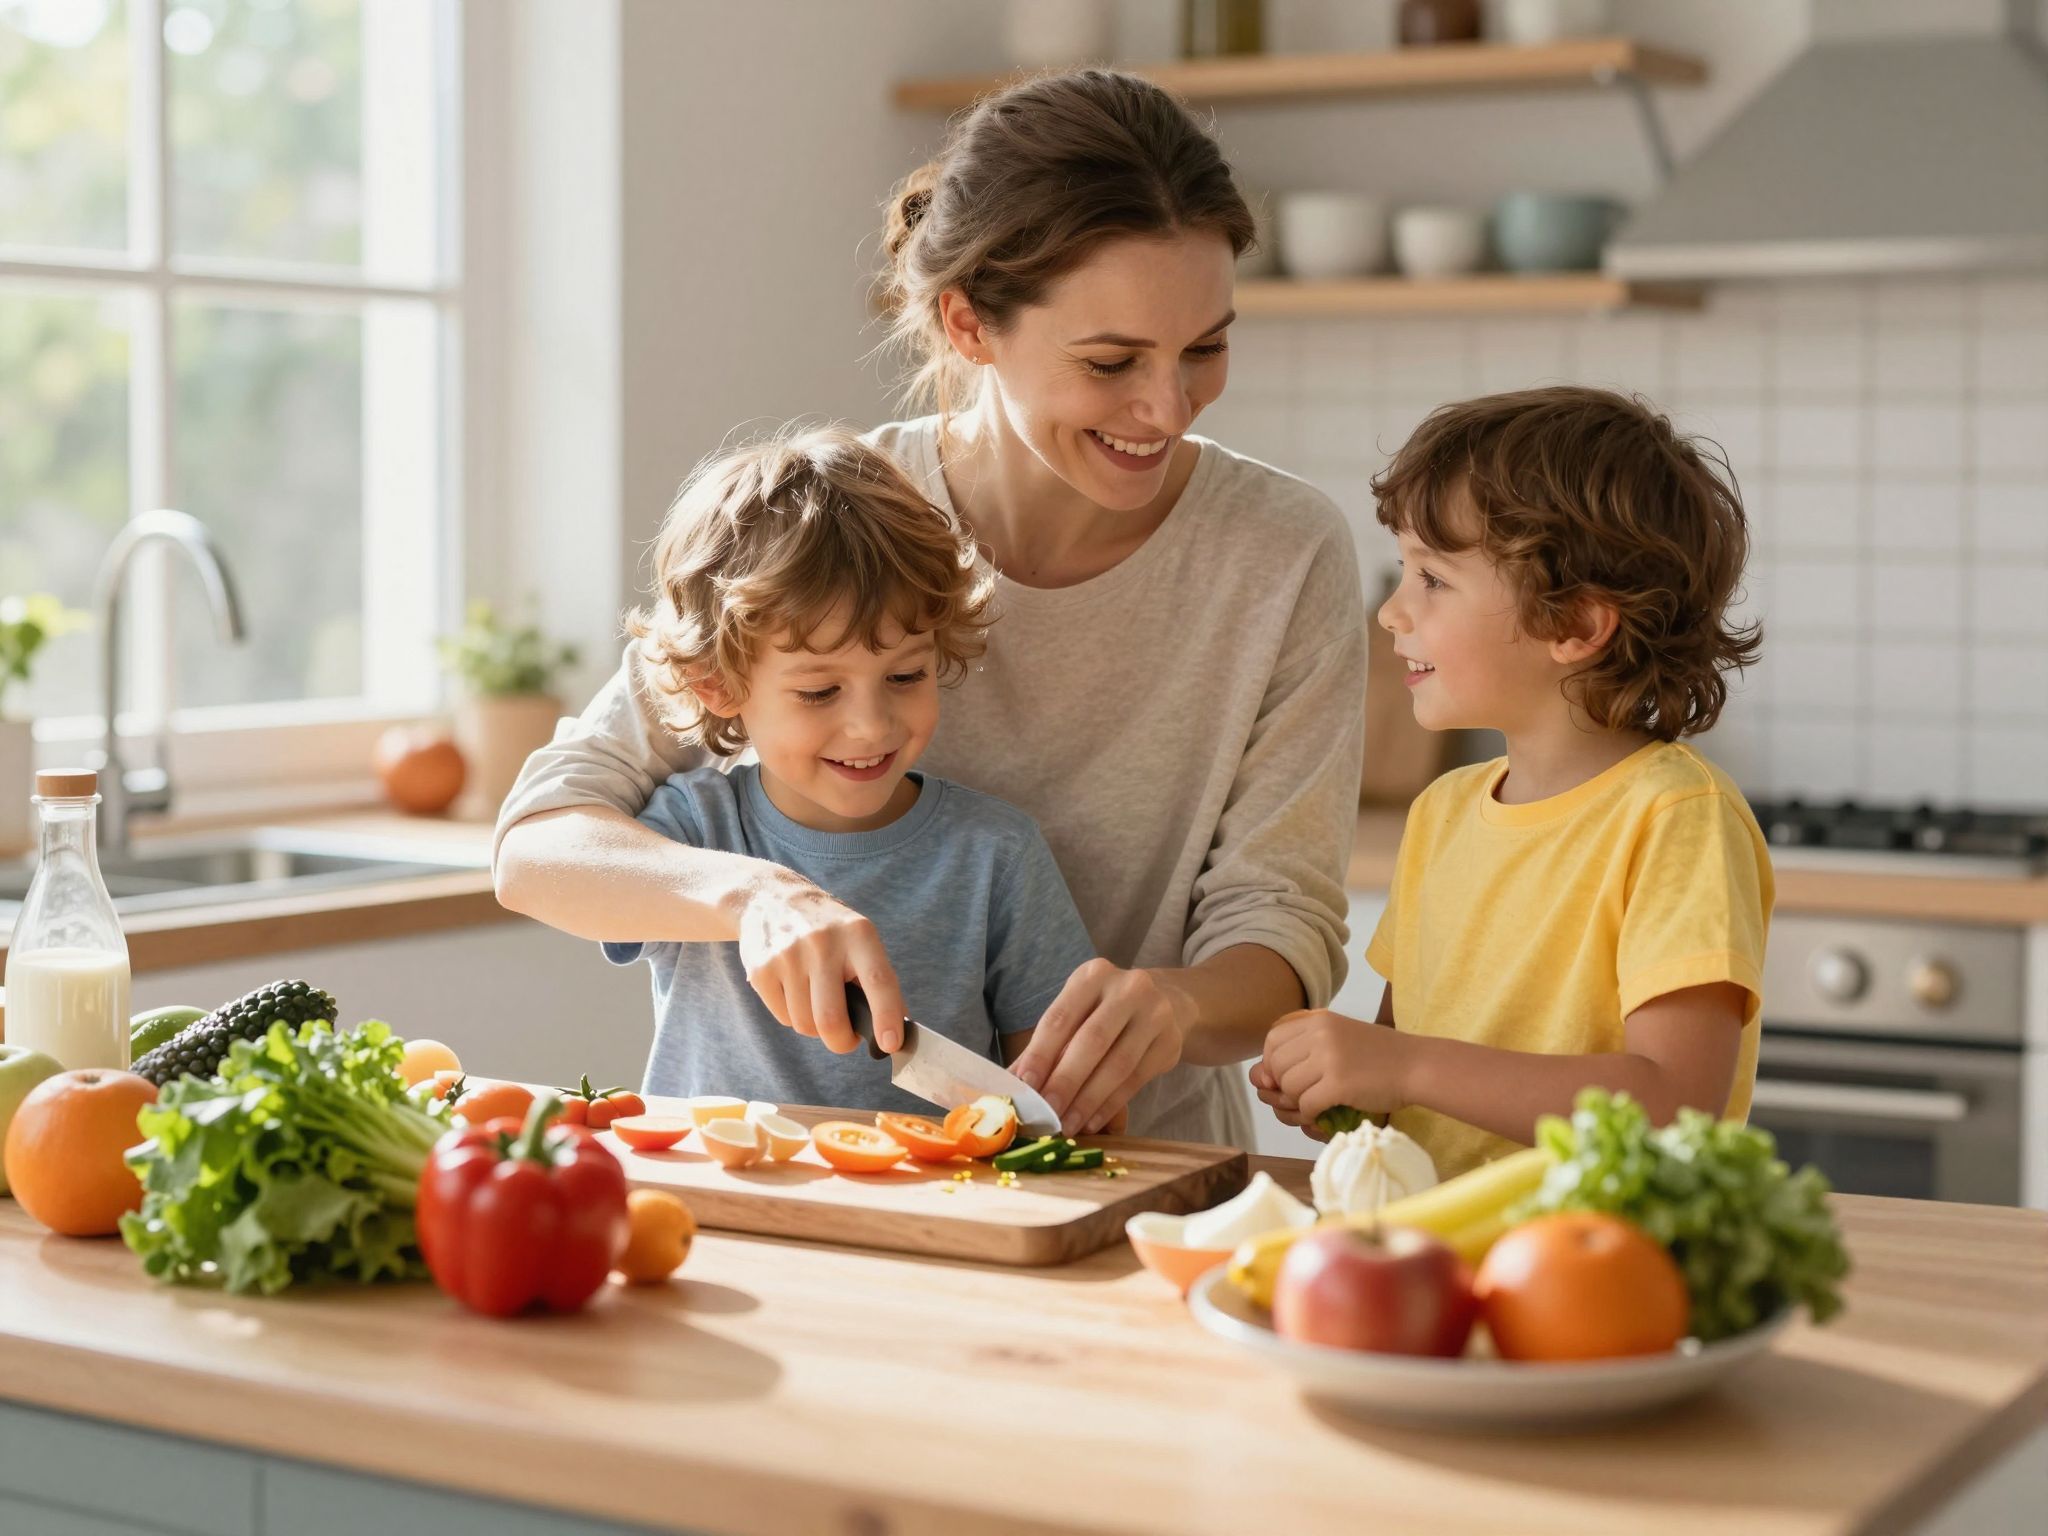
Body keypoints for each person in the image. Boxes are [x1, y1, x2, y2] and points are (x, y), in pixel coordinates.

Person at [492, 69, 1367, 1146]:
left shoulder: (1280, 553)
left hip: (1137, 1166)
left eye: (1205, 348)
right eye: (1110, 361)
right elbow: (538, 846)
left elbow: (1282, 928)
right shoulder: (830, 524)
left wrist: (1177, 1004)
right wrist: (747, 897)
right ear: (967, 324)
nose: (1165, 407)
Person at [1253, 386, 1773, 1179]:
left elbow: (1674, 1106)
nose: (1393, 613)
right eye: (1404, 570)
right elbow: (1403, 1081)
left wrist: (1403, 1068)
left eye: (1432, 579)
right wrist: (1346, 1090)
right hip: (1440, 1253)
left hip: (1597, 1273)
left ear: (1574, 625)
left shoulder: (1677, 818)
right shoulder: (1444, 813)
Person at [596, 425, 1095, 1110]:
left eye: (906, 675)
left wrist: (1079, 1098)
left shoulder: (996, 854)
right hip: (713, 1203)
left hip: (936, 1213)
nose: (872, 726)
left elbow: (1058, 1095)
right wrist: (747, 899)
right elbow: (567, 882)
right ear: (717, 685)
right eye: (819, 691)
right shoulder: (692, 827)